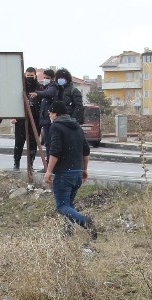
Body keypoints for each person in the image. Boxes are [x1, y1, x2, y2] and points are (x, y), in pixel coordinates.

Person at [44, 100, 95, 239]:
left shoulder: (56, 127)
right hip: (77, 173)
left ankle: (85, 221)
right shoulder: (76, 126)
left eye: (50, 113)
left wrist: (48, 171)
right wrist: (84, 169)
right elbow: (86, 150)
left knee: (62, 206)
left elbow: (55, 152)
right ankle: (68, 234)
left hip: (64, 173)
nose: (49, 116)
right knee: (69, 205)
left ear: (55, 113)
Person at [13, 67, 42, 171]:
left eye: (31, 75)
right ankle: (16, 163)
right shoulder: (20, 86)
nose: (29, 77)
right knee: (19, 142)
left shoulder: (39, 88)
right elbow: (14, 102)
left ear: (35, 76)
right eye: (28, 75)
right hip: (21, 119)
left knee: (33, 143)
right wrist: (14, 116)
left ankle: (30, 164)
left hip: (35, 120)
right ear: (25, 75)